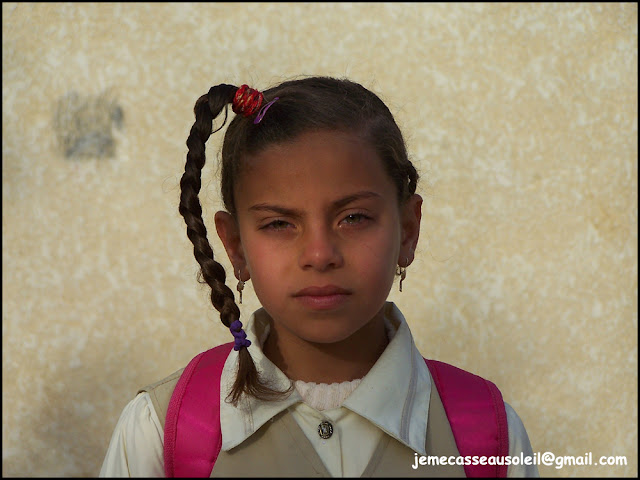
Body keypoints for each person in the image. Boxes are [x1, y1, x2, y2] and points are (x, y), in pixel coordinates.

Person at [99, 77, 539, 477]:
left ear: (408, 229)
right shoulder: (163, 431)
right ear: (235, 247)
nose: (319, 254)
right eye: (278, 224)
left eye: (354, 217)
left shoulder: (487, 437)